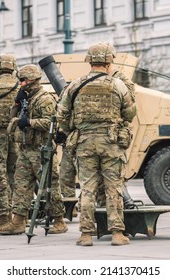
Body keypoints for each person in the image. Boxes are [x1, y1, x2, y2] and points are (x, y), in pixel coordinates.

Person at [57, 42, 137, 246]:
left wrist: (71, 131)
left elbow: (62, 114)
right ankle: (117, 233)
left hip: (84, 143)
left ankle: (85, 234)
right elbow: (129, 113)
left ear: (89, 60)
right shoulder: (117, 84)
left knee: (87, 188)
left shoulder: (74, 85)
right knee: (113, 187)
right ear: (109, 60)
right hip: (111, 143)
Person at [0, 64, 68, 235]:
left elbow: (50, 122)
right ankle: (18, 221)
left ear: (32, 80)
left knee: (50, 186)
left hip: (41, 150)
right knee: (21, 186)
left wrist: (29, 122)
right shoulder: (26, 98)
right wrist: (16, 102)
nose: (20, 84)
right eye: (20, 80)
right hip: (26, 149)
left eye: (23, 80)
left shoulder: (44, 99)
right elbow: (11, 117)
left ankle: (59, 220)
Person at [0, 53, 20, 228]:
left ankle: (4, 216)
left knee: (0, 174)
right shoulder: (20, 86)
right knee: (16, 173)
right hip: (17, 135)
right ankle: (19, 216)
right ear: (13, 67)